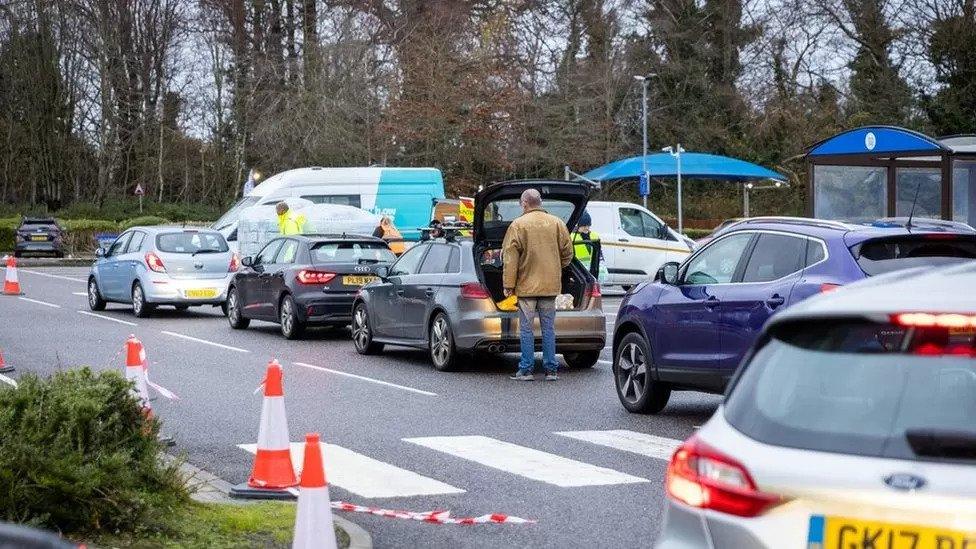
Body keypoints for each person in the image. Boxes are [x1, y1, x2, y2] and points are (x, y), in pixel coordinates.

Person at [502, 188, 574, 381]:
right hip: (550, 285)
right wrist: (557, 267)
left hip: (526, 287)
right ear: (540, 202)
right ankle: (551, 370)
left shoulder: (518, 225)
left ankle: (526, 370)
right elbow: (568, 253)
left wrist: (509, 284)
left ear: (524, 203)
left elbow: (510, 258)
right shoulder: (557, 223)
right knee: (548, 328)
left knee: (526, 328)